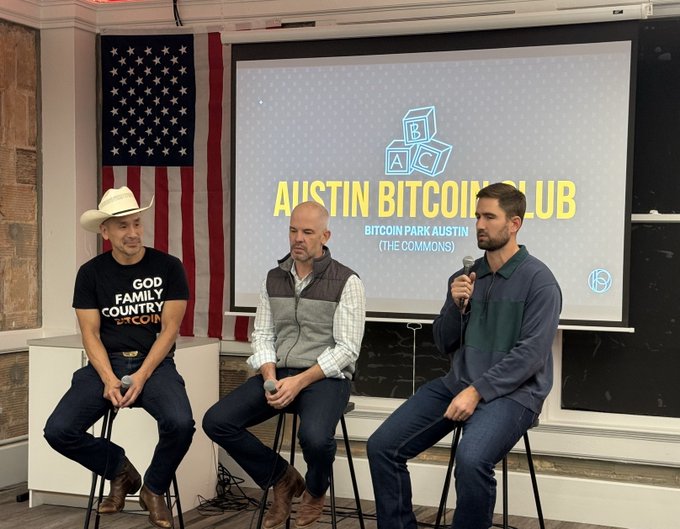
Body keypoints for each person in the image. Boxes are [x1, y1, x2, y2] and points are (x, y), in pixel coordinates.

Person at [367, 182, 562, 529]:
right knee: (382, 446)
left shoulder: (540, 281)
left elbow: (530, 356)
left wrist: (477, 392)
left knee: (471, 460)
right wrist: (457, 307)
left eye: (489, 217)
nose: (479, 225)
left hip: (514, 394)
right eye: (477, 217)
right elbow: (444, 342)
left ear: (514, 224)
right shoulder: (465, 277)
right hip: (458, 384)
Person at [202, 200, 365, 529]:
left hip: (326, 377)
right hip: (279, 374)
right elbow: (263, 334)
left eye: (307, 232)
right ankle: (282, 478)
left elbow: (347, 349)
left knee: (314, 438)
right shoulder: (273, 278)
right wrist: (269, 375)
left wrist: (299, 381)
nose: (298, 238)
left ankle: (315, 490)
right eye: (293, 230)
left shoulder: (347, 281)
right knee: (216, 421)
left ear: (325, 236)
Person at [43, 186, 195, 529]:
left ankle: (153, 488)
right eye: (123, 226)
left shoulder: (169, 267)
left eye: (137, 224)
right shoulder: (91, 273)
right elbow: (90, 334)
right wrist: (109, 379)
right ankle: (120, 470)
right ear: (105, 231)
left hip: (154, 363)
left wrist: (141, 375)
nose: (133, 233)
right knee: (58, 430)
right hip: (106, 363)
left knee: (181, 424)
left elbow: (169, 330)